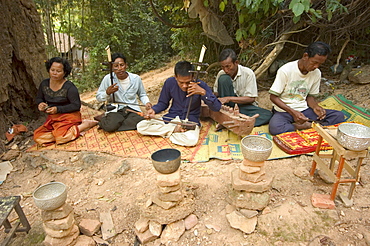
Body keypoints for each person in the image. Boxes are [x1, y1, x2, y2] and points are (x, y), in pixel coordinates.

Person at [137, 61, 221, 146]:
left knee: (191, 140)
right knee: (141, 126)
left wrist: (203, 92)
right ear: (175, 77)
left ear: (193, 77)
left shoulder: (200, 85)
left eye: (188, 82)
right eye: (181, 82)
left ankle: (168, 132)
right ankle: (174, 131)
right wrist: (154, 110)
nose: (184, 86)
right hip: (171, 118)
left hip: (189, 122)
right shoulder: (170, 82)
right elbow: (163, 103)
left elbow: (216, 107)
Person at [268, 41, 345, 135]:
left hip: (304, 110)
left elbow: (310, 97)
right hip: (284, 111)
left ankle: (313, 125)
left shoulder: (316, 73)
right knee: (275, 128)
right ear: (305, 56)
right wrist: (293, 112)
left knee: (338, 116)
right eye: (314, 62)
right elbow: (273, 97)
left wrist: (315, 107)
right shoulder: (286, 70)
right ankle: (303, 126)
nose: (316, 66)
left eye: (320, 64)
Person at [34, 57, 98, 145]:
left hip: (69, 116)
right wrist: (40, 104)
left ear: (64, 73)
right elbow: (39, 98)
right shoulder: (44, 84)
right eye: (52, 70)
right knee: (38, 137)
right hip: (53, 118)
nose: (54, 73)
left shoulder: (69, 87)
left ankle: (84, 125)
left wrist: (58, 109)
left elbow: (76, 105)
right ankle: (66, 133)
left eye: (58, 71)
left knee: (61, 138)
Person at [214, 49, 272, 127]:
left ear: (236, 63)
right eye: (223, 67)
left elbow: (251, 99)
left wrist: (229, 98)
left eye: (228, 66)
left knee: (267, 115)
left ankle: (232, 122)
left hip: (243, 107)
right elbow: (217, 93)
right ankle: (232, 119)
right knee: (223, 78)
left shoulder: (248, 73)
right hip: (227, 108)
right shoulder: (221, 73)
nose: (226, 70)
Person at [96, 52, 152, 132]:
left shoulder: (136, 78)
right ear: (112, 68)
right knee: (111, 126)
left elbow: (142, 94)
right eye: (116, 66)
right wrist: (107, 93)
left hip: (132, 109)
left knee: (141, 122)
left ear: (126, 65)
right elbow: (98, 98)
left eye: (121, 65)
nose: (119, 68)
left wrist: (147, 102)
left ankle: (114, 124)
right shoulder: (108, 79)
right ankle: (105, 121)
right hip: (116, 110)